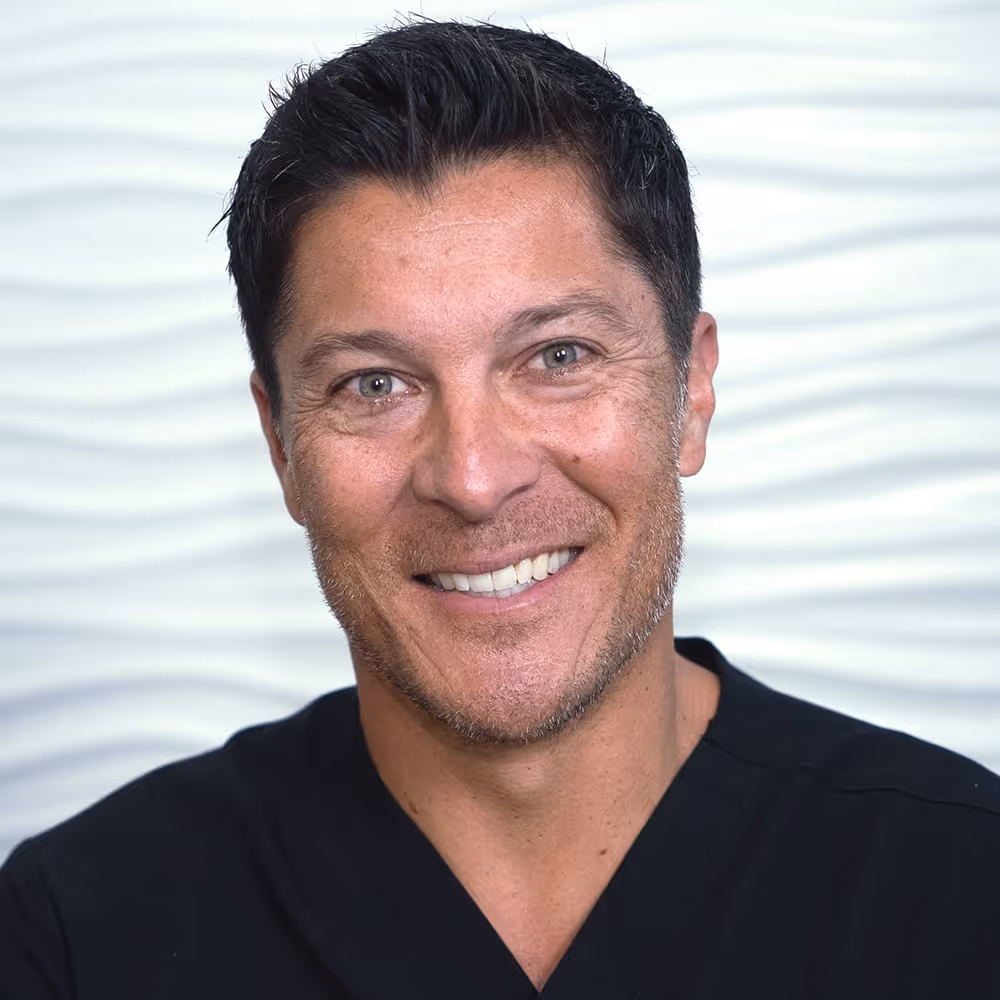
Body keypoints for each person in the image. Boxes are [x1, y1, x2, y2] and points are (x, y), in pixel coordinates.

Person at [1, 19, 998, 1000]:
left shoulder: (962, 885)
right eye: (375, 384)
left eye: (558, 356)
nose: (474, 479)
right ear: (281, 446)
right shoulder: (77, 938)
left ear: (691, 393)